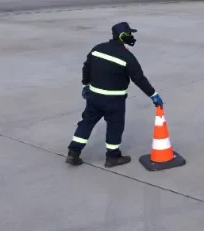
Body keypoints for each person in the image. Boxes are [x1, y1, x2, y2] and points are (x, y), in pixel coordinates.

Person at [66, 21, 163, 168]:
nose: (131, 36)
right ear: (122, 35)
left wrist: (86, 84)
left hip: (94, 97)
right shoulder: (127, 57)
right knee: (115, 126)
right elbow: (139, 79)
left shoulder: (98, 48)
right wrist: (153, 95)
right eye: (129, 33)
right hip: (114, 101)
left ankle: (73, 152)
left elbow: (86, 67)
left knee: (87, 122)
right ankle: (112, 157)